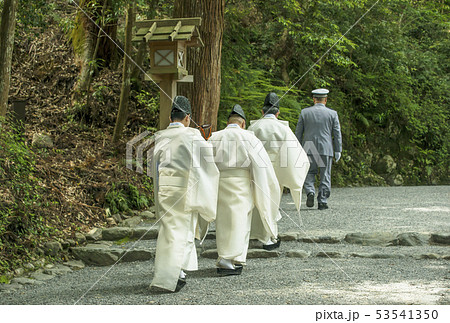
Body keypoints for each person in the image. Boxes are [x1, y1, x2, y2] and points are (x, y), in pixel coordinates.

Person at [150, 96, 220, 292]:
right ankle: (172, 276)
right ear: (187, 117)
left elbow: (154, 167)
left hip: (165, 188)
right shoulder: (192, 136)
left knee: (168, 230)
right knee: (182, 231)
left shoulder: (161, 136)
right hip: (184, 188)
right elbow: (207, 164)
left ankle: (169, 273)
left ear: (171, 117)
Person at [209, 104, 280, 275]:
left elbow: (206, 165)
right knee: (240, 222)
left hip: (220, 183)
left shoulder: (214, 137)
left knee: (224, 223)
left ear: (228, 122)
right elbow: (262, 167)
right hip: (241, 184)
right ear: (243, 123)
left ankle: (232, 258)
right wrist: (265, 187)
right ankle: (228, 260)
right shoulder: (249, 138)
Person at [248, 92, 310, 249]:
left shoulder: (253, 127)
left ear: (262, 112)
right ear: (278, 112)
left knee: (255, 202)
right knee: (271, 202)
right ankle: (268, 235)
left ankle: (252, 234)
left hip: (256, 171)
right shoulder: (283, 129)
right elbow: (294, 154)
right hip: (275, 171)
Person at [295, 89, 342, 210]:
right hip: (326, 148)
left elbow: (298, 133)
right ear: (325, 100)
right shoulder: (332, 114)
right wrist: (338, 149)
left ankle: (310, 191)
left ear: (313, 99)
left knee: (309, 172)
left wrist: (297, 148)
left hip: (308, 148)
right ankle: (322, 201)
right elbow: (337, 133)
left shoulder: (305, 112)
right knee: (325, 174)